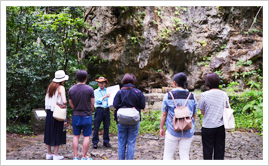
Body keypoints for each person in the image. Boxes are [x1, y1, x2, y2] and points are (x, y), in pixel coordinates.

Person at [160, 72, 197, 160]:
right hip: (188, 131)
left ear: (175, 83)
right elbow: (194, 114)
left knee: (168, 155)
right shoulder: (192, 96)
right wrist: (190, 125)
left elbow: (164, 114)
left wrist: (161, 128)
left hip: (172, 130)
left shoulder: (168, 96)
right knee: (185, 155)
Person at [113, 73, 145, 160]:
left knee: (121, 142)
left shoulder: (119, 92)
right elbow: (142, 105)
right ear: (134, 82)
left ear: (124, 81)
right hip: (134, 120)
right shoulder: (138, 92)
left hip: (122, 120)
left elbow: (115, 105)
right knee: (131, 143)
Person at [197, 72, 228, 160]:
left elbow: (202, 110)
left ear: (207, 83)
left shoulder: (204, 95)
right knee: (220, 150)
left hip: (207, 126)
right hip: (220, 126)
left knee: (207, 150)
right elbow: (226, 108)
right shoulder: (224, 94)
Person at [68, 70, 95, 160]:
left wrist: (75, 109)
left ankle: (75, 157)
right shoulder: (90, 89)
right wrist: (90, 110)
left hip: (76, 115)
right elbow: (92, 104)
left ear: (77, 78)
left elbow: (71, 104)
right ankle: (84, 156)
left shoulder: (71, 89)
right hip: (86, 115)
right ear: (86, 78)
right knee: (86, 136)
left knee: (76, 135)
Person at [44, 70, 69, 160]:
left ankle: (48, 153)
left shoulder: (50, 87)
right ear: (62, 80)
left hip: (50, 113)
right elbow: (65, 101)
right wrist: (62, 104)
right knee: (57, 131)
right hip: (57, 113)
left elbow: (46, 100)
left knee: (49, 131)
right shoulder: (61, 88)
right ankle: (55, 155)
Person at [92, 77, 111, 149]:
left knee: (106, 126)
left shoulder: (108, 90)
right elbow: (97, 101)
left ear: (105, 83)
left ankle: (106, 141)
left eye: (102, 82)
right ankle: (95, 142)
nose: (101, 84)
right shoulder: (96, 91)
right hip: (99, 110)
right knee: (96, 126)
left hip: (106, 109)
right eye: (99, 82)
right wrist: (105, 96)